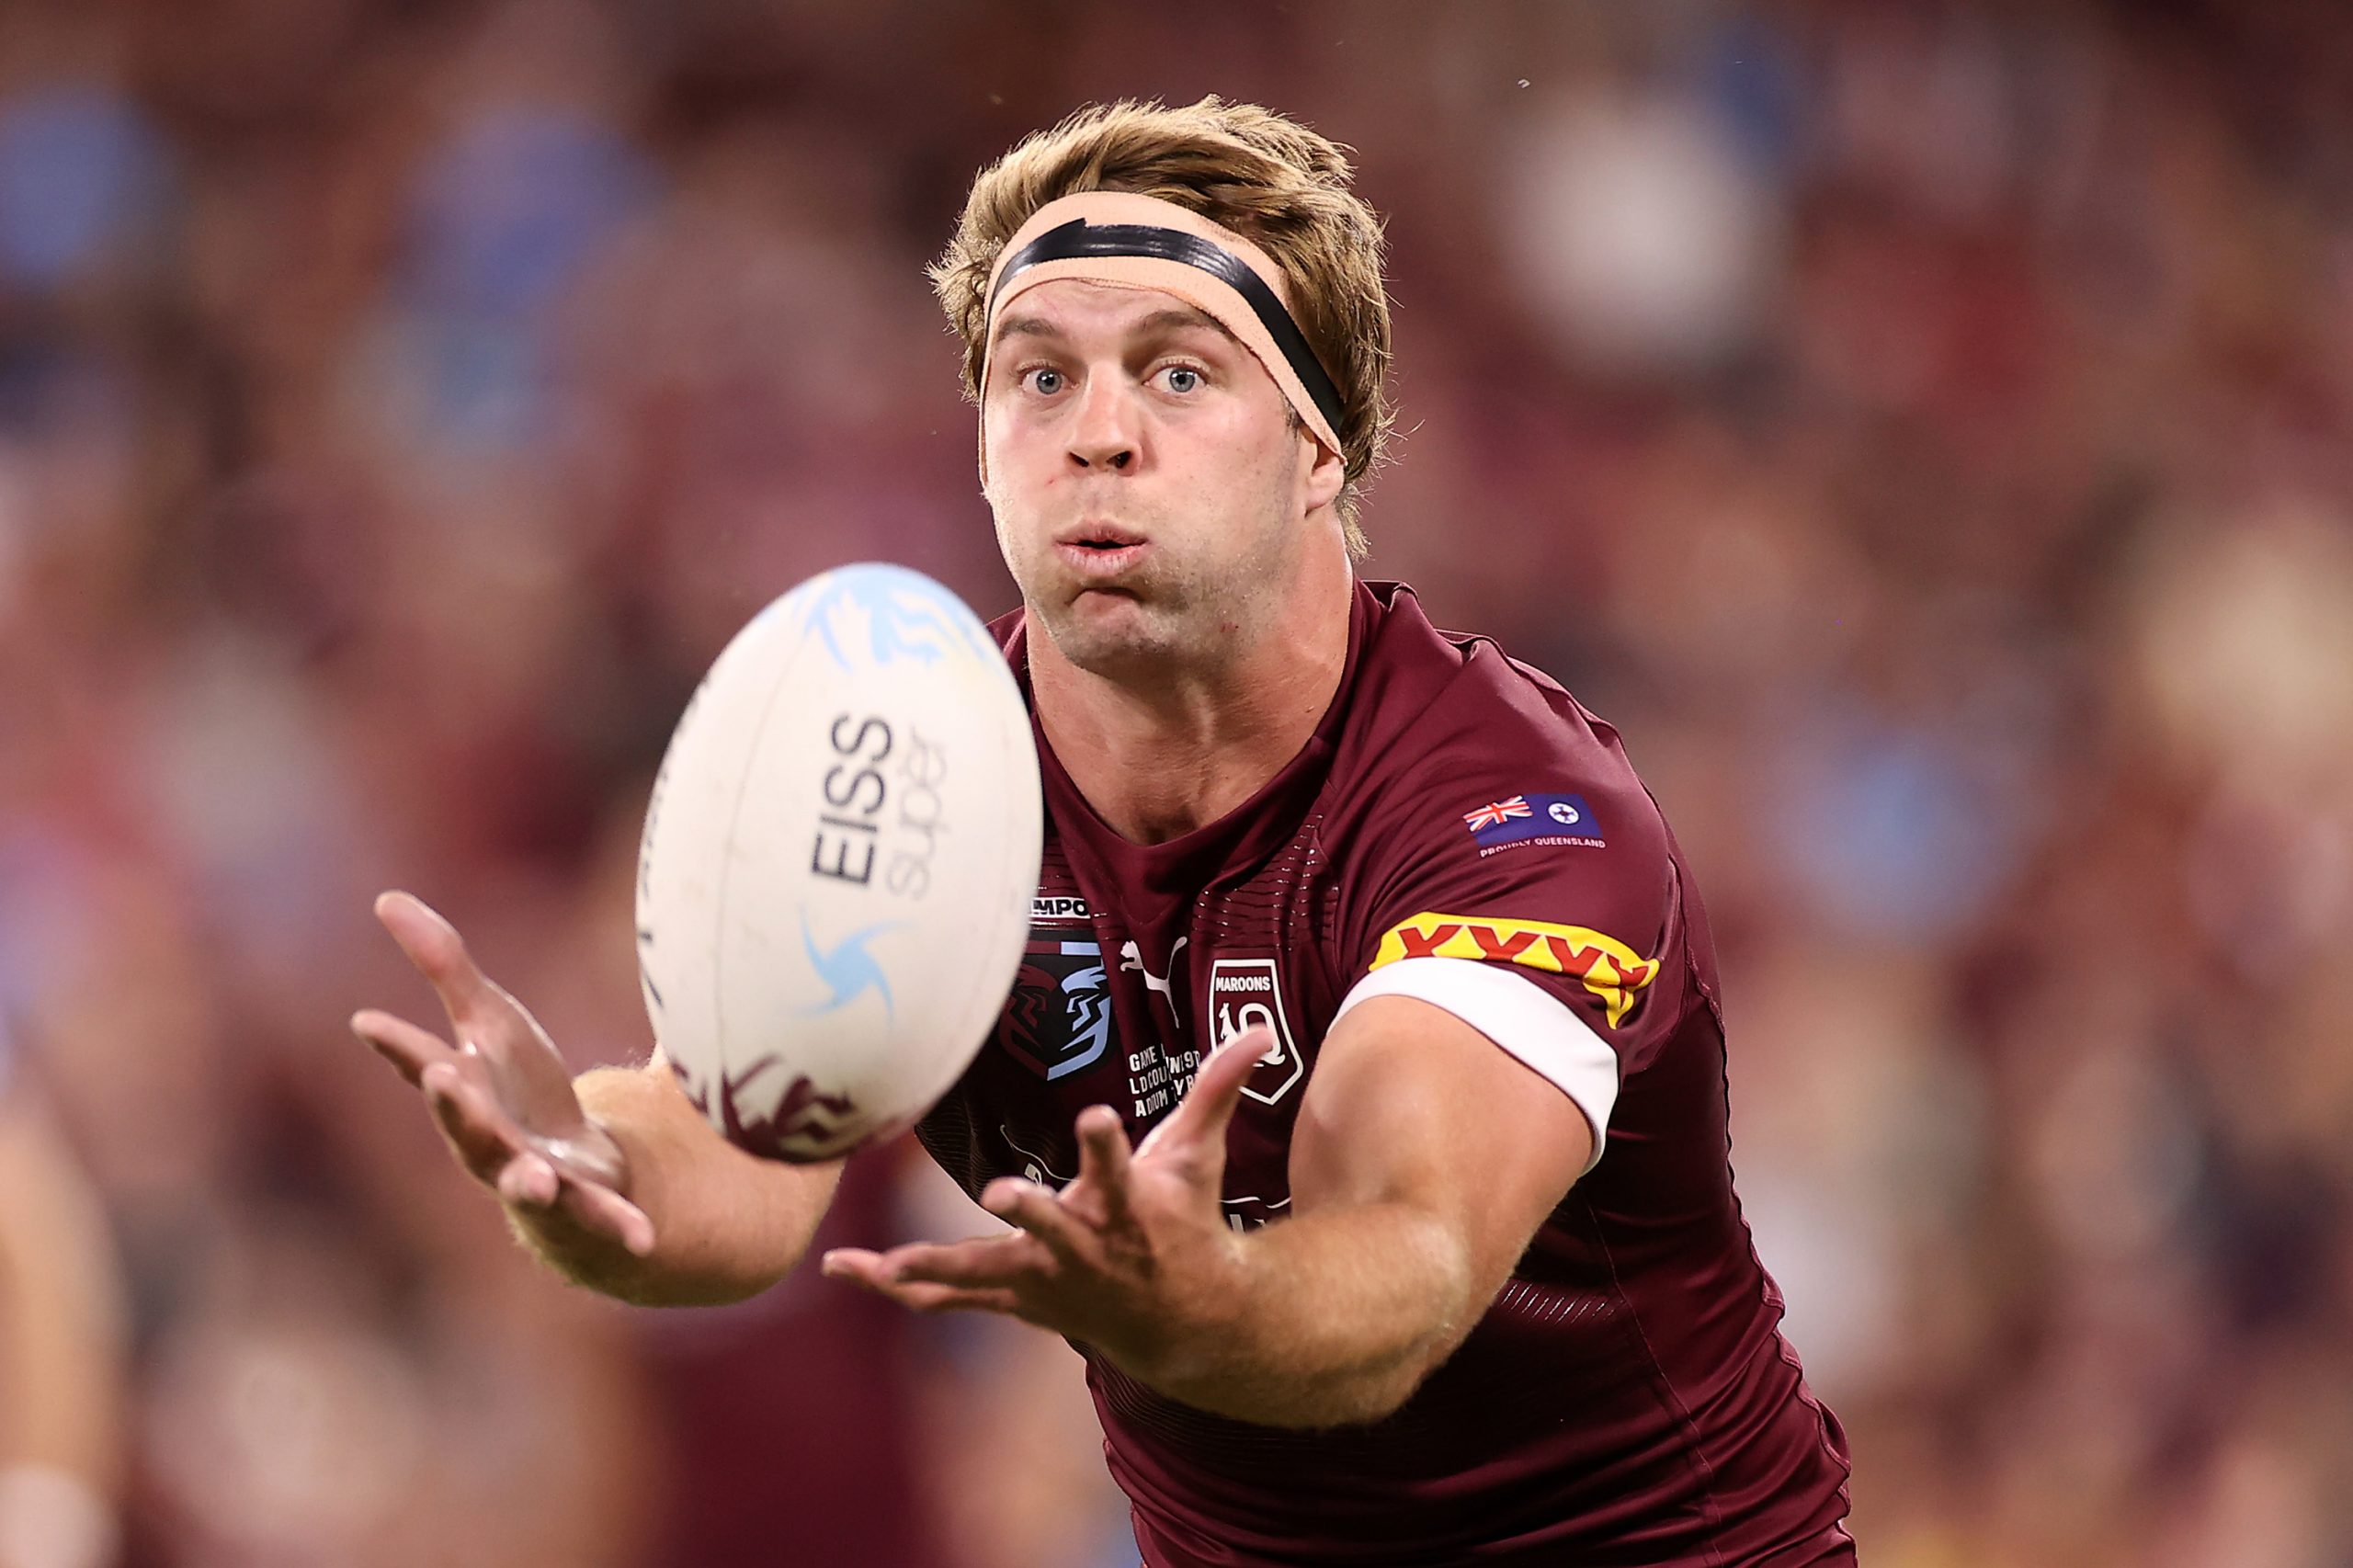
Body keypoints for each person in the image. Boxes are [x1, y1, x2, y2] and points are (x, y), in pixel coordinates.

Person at [353, 97, 1856, 1565]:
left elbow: (1409, 1253)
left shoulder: (1512, 809)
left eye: (1180, 373)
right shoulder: (920, 758)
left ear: (1322, 446)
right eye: (1040, 380)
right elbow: (746, 1149)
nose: (1099, 435)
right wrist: (592, 1172)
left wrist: (1201, 1302)